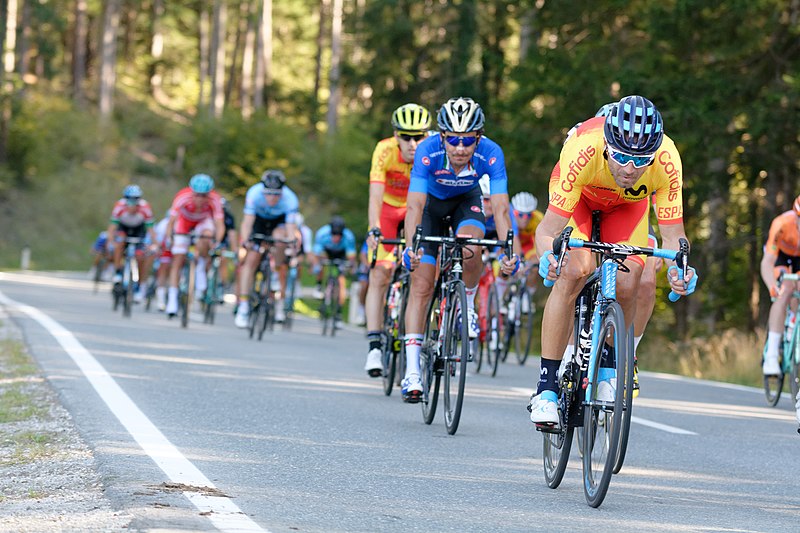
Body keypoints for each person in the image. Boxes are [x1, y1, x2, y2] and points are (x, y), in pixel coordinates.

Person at [529, 95, 698, 425]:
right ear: (607, 144)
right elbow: (546, 231)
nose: (630, 169)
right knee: (575, 270)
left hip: (626, 209)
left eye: (641, 160)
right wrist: (547, 257)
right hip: (580, 201)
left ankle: (609, 363)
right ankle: (546, 387)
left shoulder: (666, 159)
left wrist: (681, 268)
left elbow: (673, 235)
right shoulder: (583, 148)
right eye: (621, 157)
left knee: (629, 278)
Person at [401, 97, 519, 403]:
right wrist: (410, 245)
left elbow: (503, 209)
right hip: (430, 208)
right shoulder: (428, 151)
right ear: (442, 136)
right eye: (453, 139)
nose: (460, 148)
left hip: (467, 202)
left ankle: (466, 301)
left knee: (471, 246)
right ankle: (412, 371)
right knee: (422, 286)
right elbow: (414, 204)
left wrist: (509, 250)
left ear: (478, 138)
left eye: (468, 140)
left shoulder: (491, 153)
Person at [364, 103, 431, 377]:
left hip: (420, 209)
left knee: (427, 274)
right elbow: (375, 195)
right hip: (390, 211)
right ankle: (374, 346)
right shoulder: (384, 150)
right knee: (380, 273)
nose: (413, 143)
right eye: (405, 136)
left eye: (419, 136)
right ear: (395, 135)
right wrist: (373, 228)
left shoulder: (433, 150)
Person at [234, 169, 299, 328]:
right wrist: (246, 240)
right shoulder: (254, 194)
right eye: (268, 194)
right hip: (259, 221)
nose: (272, 198)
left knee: (280, 239)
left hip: (279, 222)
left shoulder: (290, 199)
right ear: (263, 191)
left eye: (276, 194)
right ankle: (243, 307)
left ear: (282, 192)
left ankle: (275, 271)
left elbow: (290, 229)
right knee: (251, 261)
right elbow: (247, 222)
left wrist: (290, 241)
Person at [164, 174, 226, 317]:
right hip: (184, 223)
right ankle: (172, 300)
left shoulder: (215, 199)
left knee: (207, 235)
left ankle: (200, 267)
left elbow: (219, 224)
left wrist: (217, 242)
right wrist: (169, 238)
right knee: (178, 260)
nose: (200, 199)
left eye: (204, 196)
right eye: (197, 195)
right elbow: (171, 221)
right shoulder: (182, 197)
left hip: (203, 222)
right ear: (192, 192)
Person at [759, 195, 800, 376]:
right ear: (795, 215)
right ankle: (772, 354)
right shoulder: (782, 223)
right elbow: (767, 261)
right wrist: (771, 286)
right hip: (781, 256)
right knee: (785, 290)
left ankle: (793, 321)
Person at [106, 185, 159, 303]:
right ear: (125, 200)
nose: (132, 204)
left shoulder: (145, 208)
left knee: (140, 257)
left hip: (138, 231)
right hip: (123, 229)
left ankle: (138, 286)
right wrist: (111, 242)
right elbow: (112, 228)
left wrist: (155, 244)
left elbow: (151, 230)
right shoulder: (119, 206)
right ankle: (118, 272)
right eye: (129, 200)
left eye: (135, 200)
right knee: (119, 244)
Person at [311, 216, 358, 310]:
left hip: (341, 253)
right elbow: (316, 252)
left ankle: (338, 311)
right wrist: (316, 265)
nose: (336, 238)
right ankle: (319, 285)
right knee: (321, 265)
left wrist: (352, 266)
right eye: (334, 234)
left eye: (339, 235)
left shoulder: (348, 236)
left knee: (341, 280)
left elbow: (351, 255)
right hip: (326, 251)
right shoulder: (322, 233)